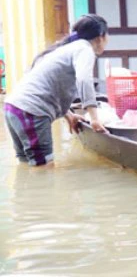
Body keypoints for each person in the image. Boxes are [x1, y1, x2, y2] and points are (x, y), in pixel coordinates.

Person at [3, 14, 109, 166]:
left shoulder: (67, 49)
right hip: (31, 112)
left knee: (28, 165)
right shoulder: (85, 49)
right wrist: (94, 118)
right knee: (44, 169)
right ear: (100, 37)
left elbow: (50, 85)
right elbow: (84, 80)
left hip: (13, 108)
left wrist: (69, 115)